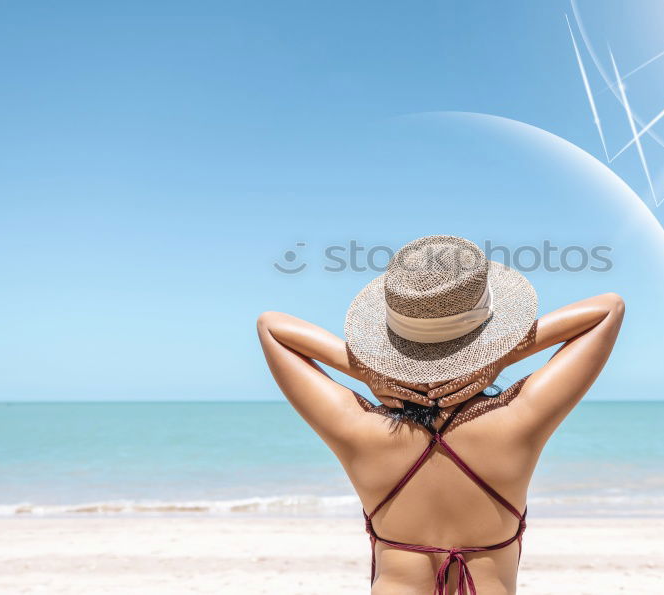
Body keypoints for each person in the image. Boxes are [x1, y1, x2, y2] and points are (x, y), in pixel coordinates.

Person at [257, 235, 625, 594]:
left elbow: (271, 327)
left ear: (391, 341)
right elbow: (608, 309)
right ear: (489, 332)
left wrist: (367, 372)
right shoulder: (520, 417)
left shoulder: (357, 428)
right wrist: (501, 357)